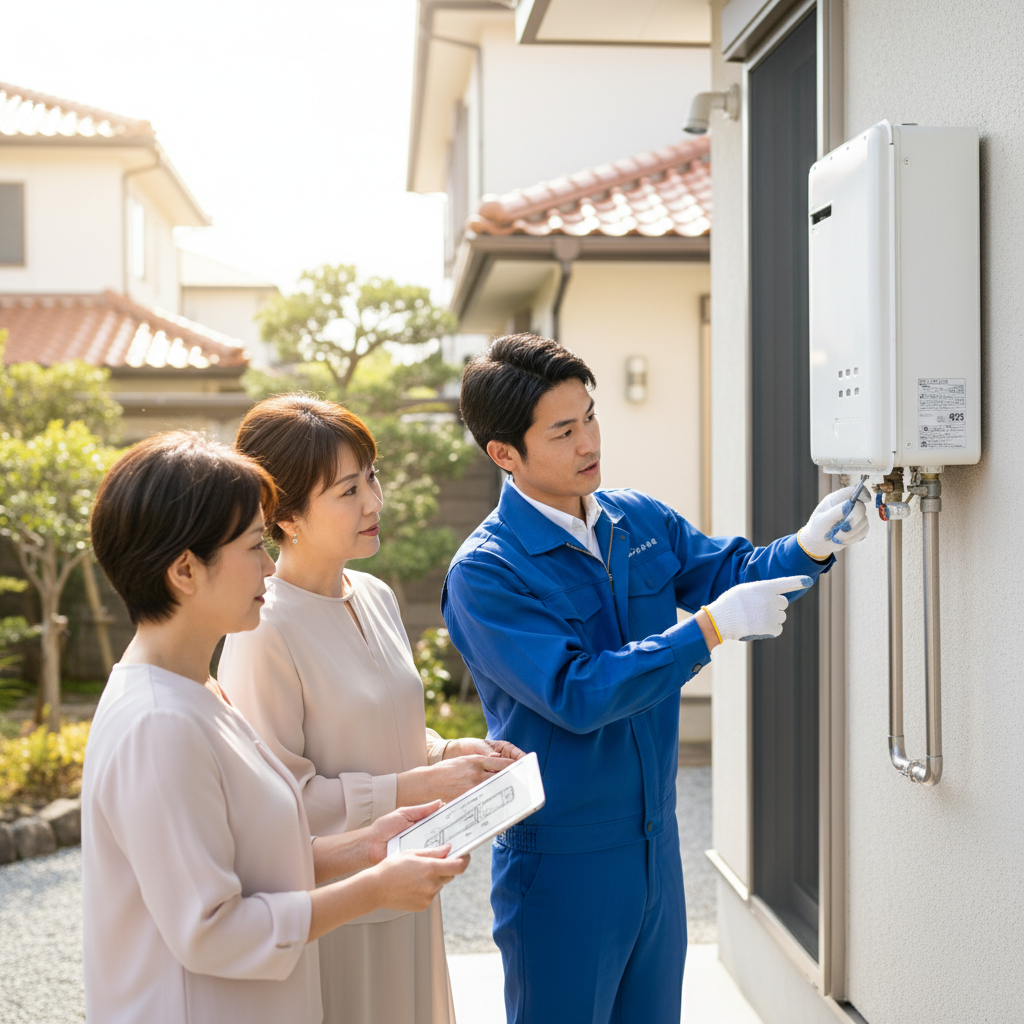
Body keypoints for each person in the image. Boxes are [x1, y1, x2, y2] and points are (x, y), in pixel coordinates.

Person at [441, 334, 870, 1024]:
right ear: (504, 454)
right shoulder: (488, 573)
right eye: (564, 430)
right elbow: (578, 694)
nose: (590, 441)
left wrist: (810, 545)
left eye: (590, 416)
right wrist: (705, 630)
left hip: (654, 843)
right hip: (563, 859)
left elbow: (728, 574)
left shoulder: (634, 519)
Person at [83, 431, 468, 1024]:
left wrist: (363, 845)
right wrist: (373, 888)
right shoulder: (157, 725)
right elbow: (211, 929)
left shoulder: (195, 692)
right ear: (185, 570)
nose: (268, 565)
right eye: (250, 547)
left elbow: (247, 863)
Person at [216, 394, 523, 1024]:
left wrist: (446, 750)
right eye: (348, 489)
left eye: (372, 477)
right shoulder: (260, 629)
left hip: (407, 885)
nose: (374, 502)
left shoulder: (375, 595)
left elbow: (385, 723)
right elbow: (279, 804)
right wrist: (424, 782)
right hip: (337, 905)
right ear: (286, 515)